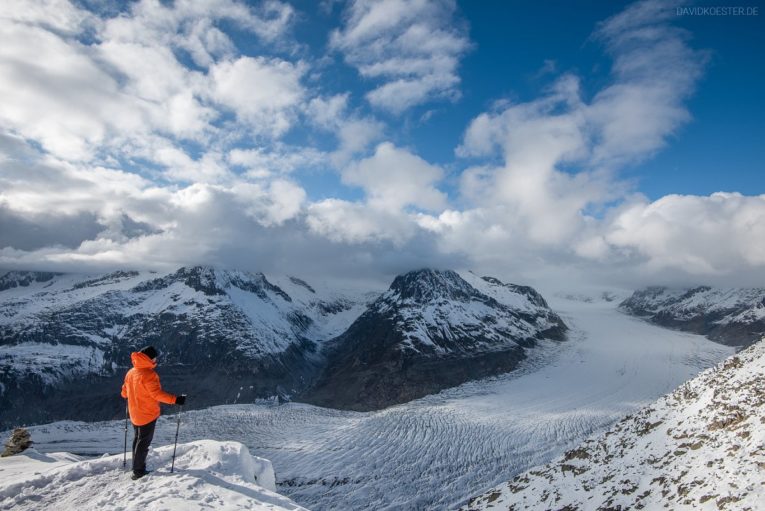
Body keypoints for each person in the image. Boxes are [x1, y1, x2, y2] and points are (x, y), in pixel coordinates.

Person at [121, 345, 186, 480]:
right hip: (147, 414)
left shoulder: (131, 372)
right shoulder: (149, 374)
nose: (156, 359)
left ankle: (136, 465)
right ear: (149, 357)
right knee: (143, 442)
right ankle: (138, 471)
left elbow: (124, 393)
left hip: (134, 413)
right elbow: (156, 394)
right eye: (155, 356)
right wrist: (176, 399)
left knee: (138, 439)